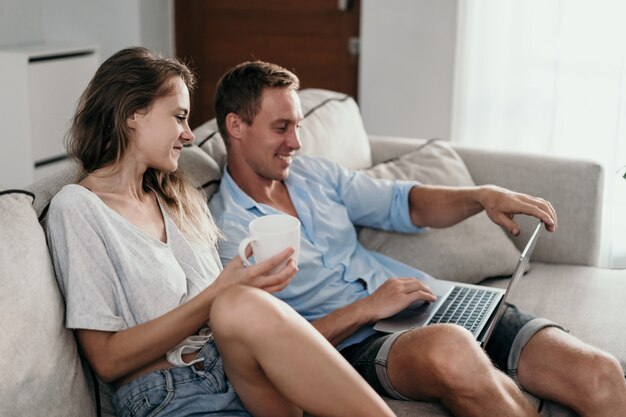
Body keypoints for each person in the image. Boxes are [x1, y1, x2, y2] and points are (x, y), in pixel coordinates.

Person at [209, 60, 626, 417]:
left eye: (297, 126)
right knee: (452, 350)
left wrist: (481, 196)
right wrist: (365, 308)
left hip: (429, 302)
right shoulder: (231, 234)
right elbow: (272, 348)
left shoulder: (314, 175)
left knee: (601, 374)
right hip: (355, 346)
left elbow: (405, 204)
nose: (295, 143)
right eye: (282, 128)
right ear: (236, 125)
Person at [46, 47, 397, 417]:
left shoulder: (178, 198)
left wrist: (248, 289)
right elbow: (106, 360)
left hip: (239, 369)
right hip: (171, 392)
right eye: (179, 117)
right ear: (134, 113)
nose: (189, 135)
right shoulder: (79, 207)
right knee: (233, 302)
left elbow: (226, 309)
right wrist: (219, 294)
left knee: (239, 304)